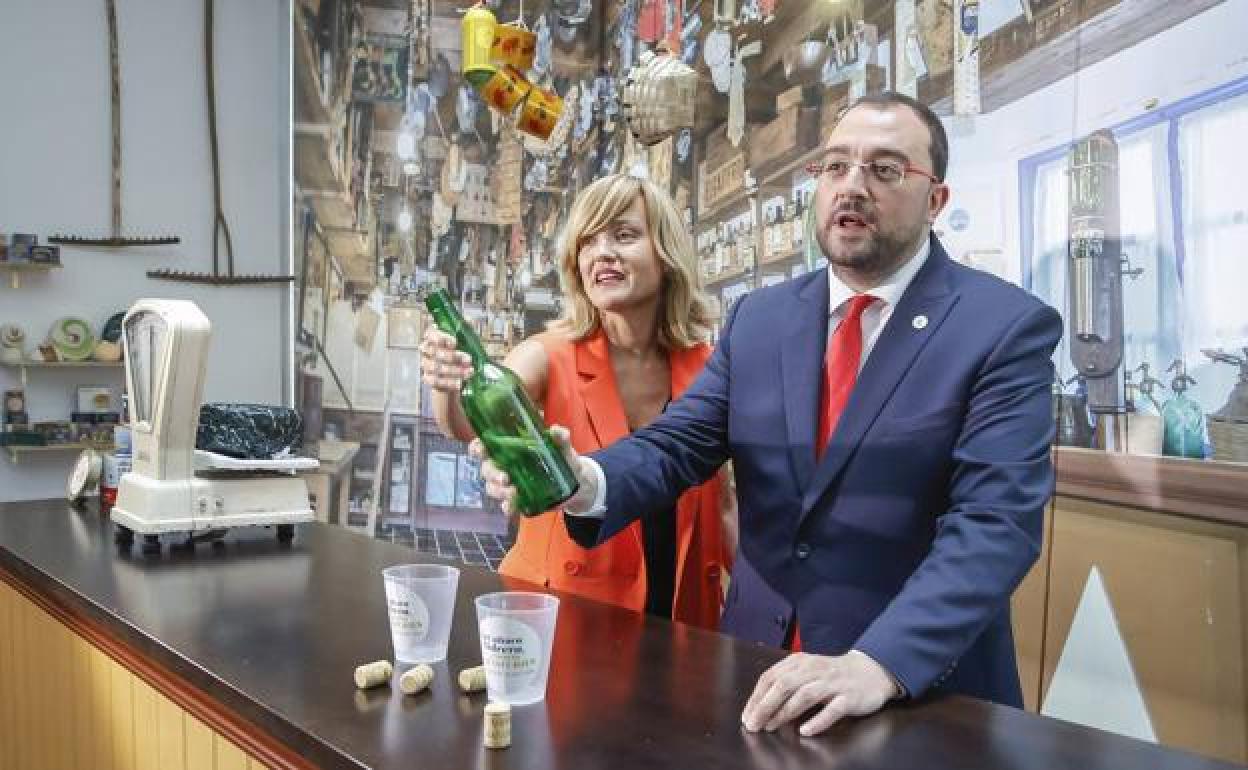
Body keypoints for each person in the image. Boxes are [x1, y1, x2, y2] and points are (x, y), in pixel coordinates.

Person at [475, 93, 1063, 735]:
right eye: (836, 166)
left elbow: (994, 525)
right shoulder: (761, 318)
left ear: (936, 200)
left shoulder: (1002, 328)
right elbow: (675, 444)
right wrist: (581, 479)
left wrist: (880, 663)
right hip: (756, 679)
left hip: (916, 700)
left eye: (886, 169)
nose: (853, 186)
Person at [421, 173, 736, 629]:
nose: (602, 252)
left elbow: (724, 502)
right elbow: (466, 425)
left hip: (683, 621)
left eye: (624, 235)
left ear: (667, 255)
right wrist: (447, 380)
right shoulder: (549, 355)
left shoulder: (710, 367)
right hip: (566, 620)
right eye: (588, 242)